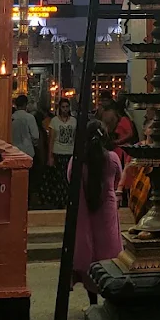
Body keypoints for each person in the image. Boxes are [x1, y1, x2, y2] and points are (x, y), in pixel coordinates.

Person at [68, 120, 122, 305]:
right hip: (107, 212)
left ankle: (92, 302)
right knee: (109, 255)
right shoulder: (113, 158)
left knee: (89, 256)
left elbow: (70, 181)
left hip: (84, 214)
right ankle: (110, 299)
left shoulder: (76, 161)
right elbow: (117, 180)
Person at [50, 98, 77, 176]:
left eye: (67, 107)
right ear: (60, 108)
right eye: (63, 107)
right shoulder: (54, 121)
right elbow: (51, 139)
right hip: (57, 152)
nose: (65, 109)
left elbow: (75, 137)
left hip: (70, 152)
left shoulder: (73, 121)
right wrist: (50, 156)